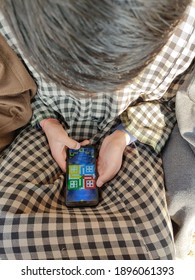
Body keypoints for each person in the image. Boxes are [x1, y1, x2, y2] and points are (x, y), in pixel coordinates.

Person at [0, 0, 194, 260]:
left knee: (151, 250)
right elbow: (16, 88)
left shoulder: (184, 32)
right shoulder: (10, 21)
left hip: (132, 129)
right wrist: (48, 123)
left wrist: (122, 136)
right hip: (40, 124)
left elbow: (170, 101)